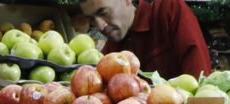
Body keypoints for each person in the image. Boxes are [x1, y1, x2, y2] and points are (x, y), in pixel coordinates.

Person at [77, 0, 212, 79]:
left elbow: (202, 82)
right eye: (92, 20)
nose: (100, 26)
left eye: (103, 13)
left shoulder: (169, 11)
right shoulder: (111, 53)